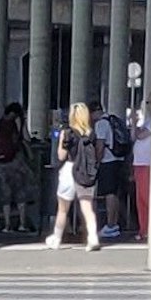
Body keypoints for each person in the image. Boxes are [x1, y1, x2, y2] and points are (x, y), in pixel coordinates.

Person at [47, 102, 101, 252]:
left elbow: (61, 155)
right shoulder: (91, 133)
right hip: (85, 171)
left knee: (63, 209)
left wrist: (60, 144)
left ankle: (56, 238)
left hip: (70, 170)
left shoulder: (67, 132)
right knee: (87, 207)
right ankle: (93, 237)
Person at [0, 102, 36, 235]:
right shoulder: (18, 121)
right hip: (16, 161)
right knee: (20, 193)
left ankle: (7, 225)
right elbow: (25, 138)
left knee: (5, 194)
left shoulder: (0, 123)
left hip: (1, 163)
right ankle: (21, 224)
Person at [89, 99, 129, 241]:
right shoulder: (112, 120)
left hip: (108, 161)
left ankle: (110, 225)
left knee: (109, 194)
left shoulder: (101, 124)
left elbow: (100, 146)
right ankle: (115, 223)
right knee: (115, 193)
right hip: (119, 159)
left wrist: (96, 162)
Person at [130, 106, 151, 243]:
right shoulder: (148, 120)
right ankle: (143, 228)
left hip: (146, 163)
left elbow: (141, 135)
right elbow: (134, 136)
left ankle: (149, 228)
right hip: (139, 163)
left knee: (147, 197)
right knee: (141, 200)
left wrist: (134, 123)